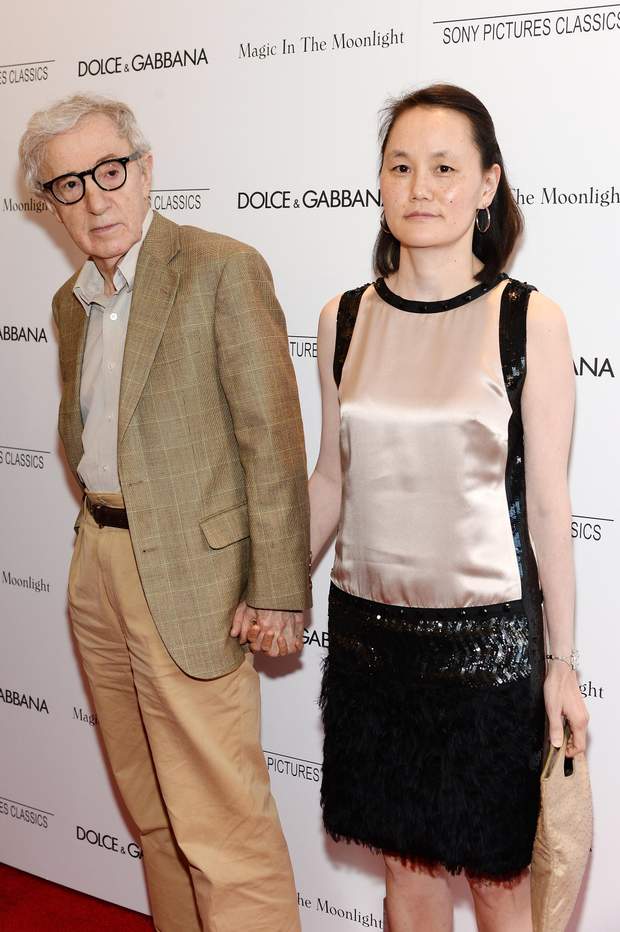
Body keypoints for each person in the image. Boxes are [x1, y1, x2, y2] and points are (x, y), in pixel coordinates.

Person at [19, 93, 310, 932]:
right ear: (50, 205)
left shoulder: (220, 268)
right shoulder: (71, 303)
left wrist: (278, 589)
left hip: (194, 579)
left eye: (109, 171)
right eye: (68, 185)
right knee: (152, 815)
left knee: (224, 829)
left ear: (145, 171)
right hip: (99, 567)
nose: (94, 199)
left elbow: (273, 441)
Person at [309, 84, 589, 932]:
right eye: (400, 167)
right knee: (408, 871)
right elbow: (330, 482)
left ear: (486, 184)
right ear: (379, 183)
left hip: (489, 648)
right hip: (371, 641)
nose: (420, 188)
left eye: (443, 168)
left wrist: (562, 662)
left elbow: (548, 505)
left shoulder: (527, 319)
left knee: (501, 883)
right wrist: (274, 589)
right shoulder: (344, 318)